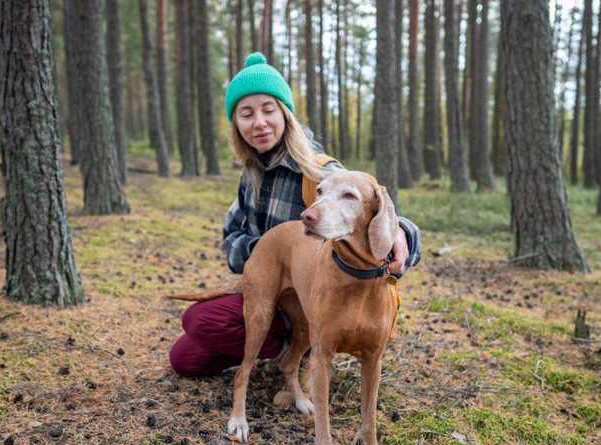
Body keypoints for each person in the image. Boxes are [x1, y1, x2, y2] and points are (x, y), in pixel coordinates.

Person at [169, 52, 422, 377]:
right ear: (236, 125)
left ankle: (302, 347)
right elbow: (230, 238)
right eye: (246, 114)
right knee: (185, 360)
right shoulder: (251, 174)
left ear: (285, 114)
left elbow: (371, 206)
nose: (258, 122)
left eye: (268, 110)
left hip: (316, 303)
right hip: (270, 293)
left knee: (200, 320)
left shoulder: (320, 172)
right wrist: (268, 255)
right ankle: (282, 348)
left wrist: (402, 232)